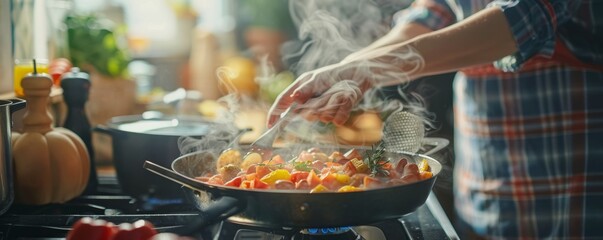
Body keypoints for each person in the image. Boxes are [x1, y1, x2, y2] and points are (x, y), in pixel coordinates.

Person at [267, 0, 603, 239]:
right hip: (485, 181)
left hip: (568, 181)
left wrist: (363, 69)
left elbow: (518, 21)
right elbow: (431, 15)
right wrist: (353, 72)